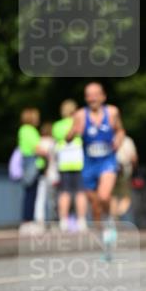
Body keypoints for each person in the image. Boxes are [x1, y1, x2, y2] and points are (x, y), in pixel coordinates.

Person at [67, 82, 125, 249]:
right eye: (89, 95)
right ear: (86, 98)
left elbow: (120, 130)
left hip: (108, 161)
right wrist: (74, 131)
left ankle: (110, 222)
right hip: (89, 164)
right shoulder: (79, 115)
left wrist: (118, 140)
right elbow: (68, 137)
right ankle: (103, 227)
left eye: (95, 94)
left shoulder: (112, 112)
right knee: (95, 205)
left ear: (103, 96)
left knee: (104, 196)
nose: (92, 98)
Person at [52, 99, 88, 232]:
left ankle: (63, 221)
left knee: (64, 192)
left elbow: (56, 141)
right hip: (78, 161)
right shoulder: (79, 123)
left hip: (64, 162)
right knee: (80, 192)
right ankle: (81, 221)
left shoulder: (57, 126)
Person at [17, 108, 47, 231]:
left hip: (29, 162)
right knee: (31, 193)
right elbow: (37, 148)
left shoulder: (23, 130)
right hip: (32, 163)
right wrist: (48, 153)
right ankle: (28, 221)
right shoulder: (29, 130)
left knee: (30, 192)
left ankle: (27, 220)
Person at [34, 122, 57, 227]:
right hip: (53, 173)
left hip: (42, 172)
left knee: (40, 197)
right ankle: (53, 220)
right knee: (53, 199)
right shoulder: (54, 142)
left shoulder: (39, 142)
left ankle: (40, 220)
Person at [111, 134, 139, 221]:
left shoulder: (110, 138)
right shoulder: (127, 141)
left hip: (111, 170)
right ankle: (118, 213)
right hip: (124, 170)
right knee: (126, 197)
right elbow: (133, 158)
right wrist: (135, 170)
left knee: (113, 196)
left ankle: (113, 217)